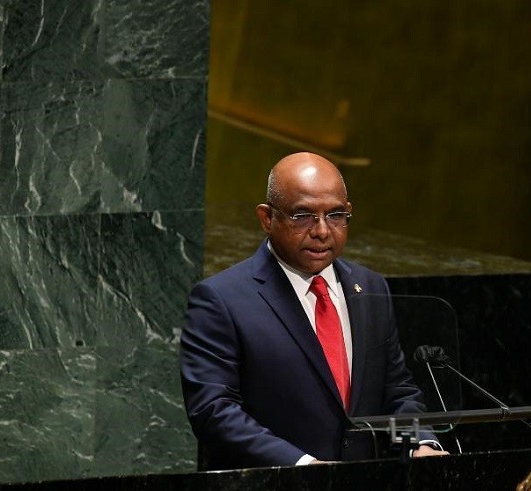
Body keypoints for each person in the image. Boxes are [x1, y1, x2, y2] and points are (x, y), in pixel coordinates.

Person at [180, 152, 447, 468]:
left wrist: (420, 442)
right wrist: (304, 466)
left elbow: (398, 390)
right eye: (302, 215)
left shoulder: (370, 286)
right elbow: (214, 412)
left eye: (335, 215)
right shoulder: (221, 299)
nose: (322, 231)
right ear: (267, 218)